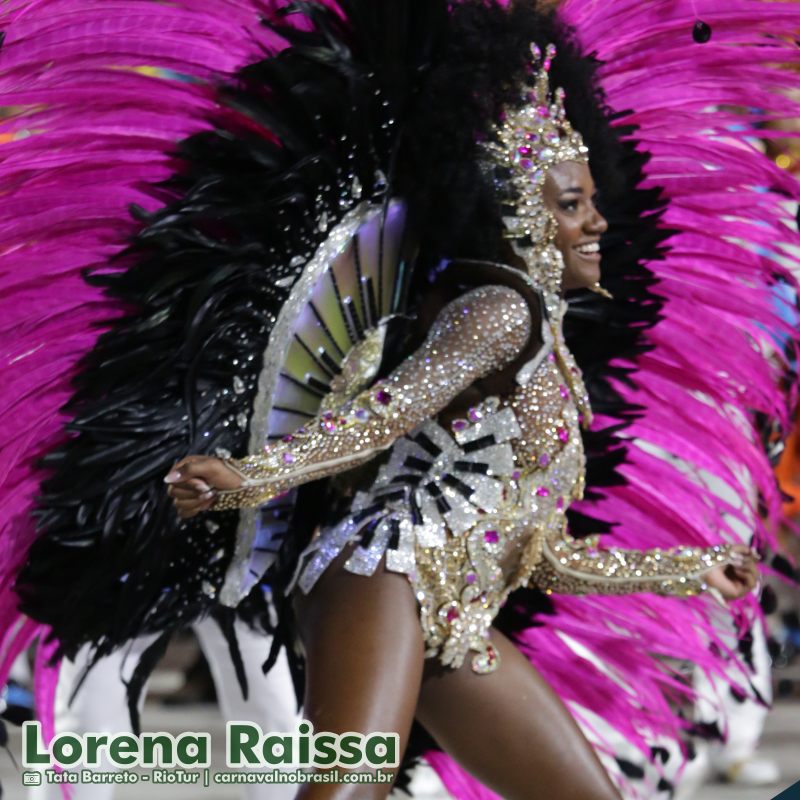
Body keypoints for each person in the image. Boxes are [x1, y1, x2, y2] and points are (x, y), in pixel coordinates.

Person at [2, 2, 799, 800]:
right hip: (378, 578)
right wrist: (252, 478)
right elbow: (380, 417)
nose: (596, 221)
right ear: (518, 217)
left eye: (591, 200)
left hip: (457, 611)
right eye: (570, 204)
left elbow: (546, 556)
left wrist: (692, 569)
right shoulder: (497, 312)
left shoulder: (548, 346)